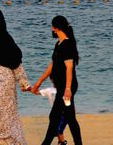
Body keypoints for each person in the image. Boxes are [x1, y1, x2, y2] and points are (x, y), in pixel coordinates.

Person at [0, 7, 31, 145]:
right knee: (7, 114)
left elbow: (15, 59)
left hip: (6, 81)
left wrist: (24, 83)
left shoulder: (4, 37)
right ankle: (11, 141)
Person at [30, 15, 82, 145]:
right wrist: (39, 82)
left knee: (55, 116)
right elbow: (52, 65)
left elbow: (69, 68)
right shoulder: (58, 44)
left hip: (67, 88)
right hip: (62, 88)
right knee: (69, 117)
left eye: (52, 27)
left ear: (55, 28)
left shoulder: (67, 44)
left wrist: (68, 89)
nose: (51, 30)